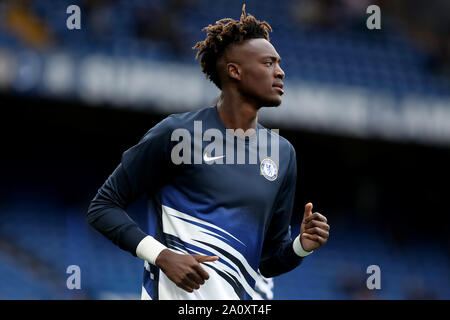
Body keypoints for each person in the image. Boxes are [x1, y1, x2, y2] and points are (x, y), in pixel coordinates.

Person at [86, 4, 330, 300]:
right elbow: (103, 207)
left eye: (278, 63)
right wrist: (161, 255)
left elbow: (266, 262)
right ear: (235, 71)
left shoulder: (282, 153)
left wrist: (301, 246)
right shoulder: (178, 134)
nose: (280, 72)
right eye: (268, 63)